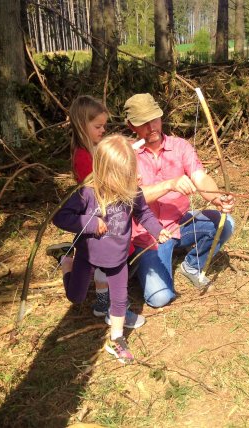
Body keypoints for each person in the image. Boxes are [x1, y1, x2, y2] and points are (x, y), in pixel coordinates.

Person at [52, 134, 172, 363]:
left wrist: (158, 231)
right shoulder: (87, 193)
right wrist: (89, 221)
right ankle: (66, 264)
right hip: (88, 255)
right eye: (127, 173)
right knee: (75, 296)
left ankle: (116, 339)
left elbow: (144, 213)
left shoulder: (131, 190)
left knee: (119, 299)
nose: (134, 177)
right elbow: (60, 217)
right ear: (107, 172)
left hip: (117, 259)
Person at [124, 93, 235, 308]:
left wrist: (217, 198)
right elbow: (128, 198)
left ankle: (192, 265)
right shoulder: (126, 154)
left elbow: (200, 177)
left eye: (154, 119)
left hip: (180, 223)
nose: (151, 127)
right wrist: (169, 184)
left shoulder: (180, 146)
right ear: (131, 125)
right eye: (143, 123)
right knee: (159, 298)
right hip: (147, 236)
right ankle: (142, 265)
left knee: (226, 223)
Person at [46, 95, 144, 328]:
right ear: (82, 125)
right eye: (98, 126)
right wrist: (123, 182)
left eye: (104, 126)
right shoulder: (83, 157)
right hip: (98, 221)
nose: (103, 130)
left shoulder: (95, 148)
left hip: (108, 219)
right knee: (102, 264)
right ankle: (69, 265)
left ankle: (110, 306)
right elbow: (91, 193)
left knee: (114, 261)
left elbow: (109, 157)